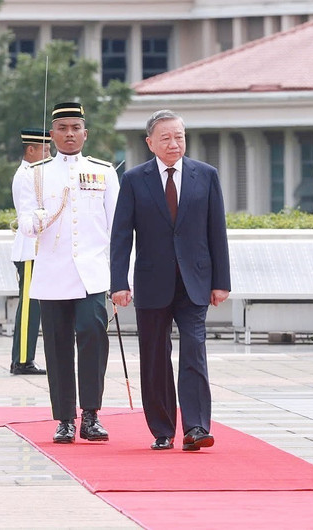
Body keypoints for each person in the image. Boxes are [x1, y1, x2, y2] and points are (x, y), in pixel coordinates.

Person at [110, 110, 231, 452]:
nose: (174, 143)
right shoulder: (135, 180)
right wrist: (118, 283)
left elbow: (216, 232)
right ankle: (162, 428)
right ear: (150, 143)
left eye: (179, 136)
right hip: (151, 283)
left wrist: (221, 281)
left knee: (194, 350)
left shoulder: (206, 176)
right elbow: (121, 236)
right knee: (154, 356)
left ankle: (196, 427)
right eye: (166, 138)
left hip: (195, 281)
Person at [18, 102, 119, 444]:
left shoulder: (104, 172)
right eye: (62, 128)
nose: (70, 134)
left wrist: (122, 277)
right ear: (52, 134)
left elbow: (117, 228)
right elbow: (26, 223)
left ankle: (91, 414)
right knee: (58, 346)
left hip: (91, 273)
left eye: (76, 128)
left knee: (93, 334)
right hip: (52, 274)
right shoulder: (36, 174)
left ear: (85, 133)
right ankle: (64, 419)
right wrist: (35, 220)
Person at [10, 128, 51, 375]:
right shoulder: (27, 175)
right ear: (31, 150)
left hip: (36, 250)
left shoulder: (35, 174)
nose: (49, 154)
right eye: (45, 150)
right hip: (29, 249)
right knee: (28, 306)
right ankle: (22, 360)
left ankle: (24, 357)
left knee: (33, 305)